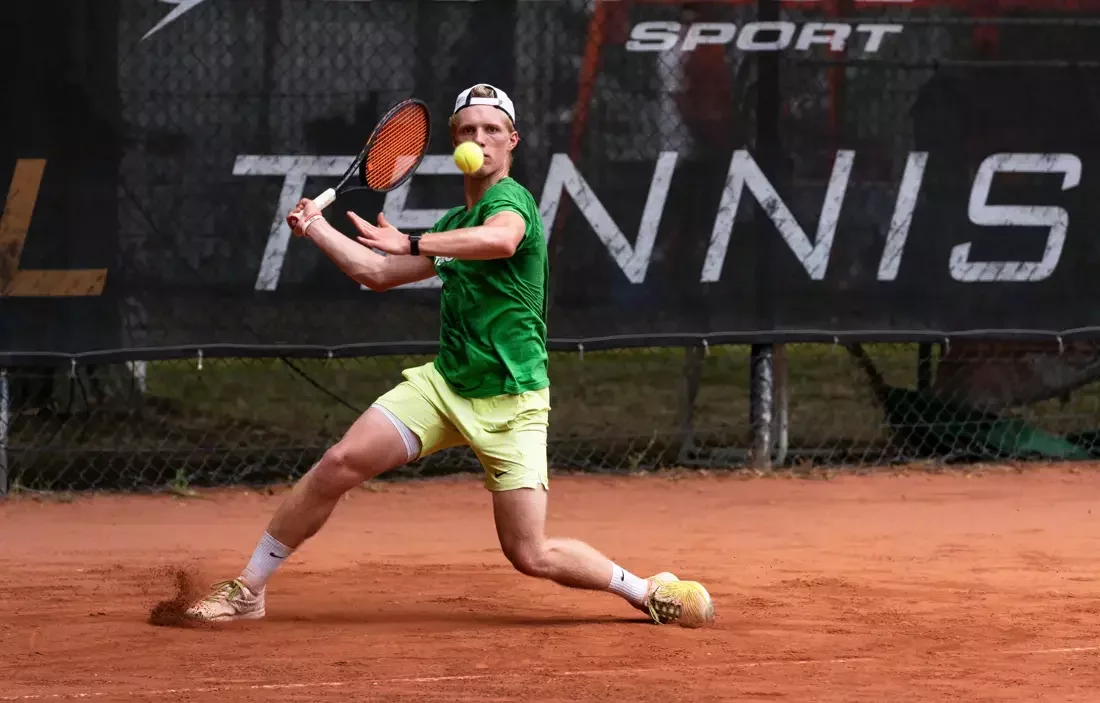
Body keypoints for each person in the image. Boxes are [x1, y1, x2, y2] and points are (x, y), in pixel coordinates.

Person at [184, 84, 715, 628]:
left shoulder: (514, 203)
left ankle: (646, 589)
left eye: (490, 130)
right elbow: (378, 273)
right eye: (466, 130)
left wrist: (414, 244)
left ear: (512, 141)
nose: (478, 140)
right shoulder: (452, 228)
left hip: (513, 402)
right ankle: (248, 589)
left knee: (528, 553)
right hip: (446, 386)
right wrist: (317, 228)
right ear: (454, 141)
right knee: (338, 464)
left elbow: (501, 241)